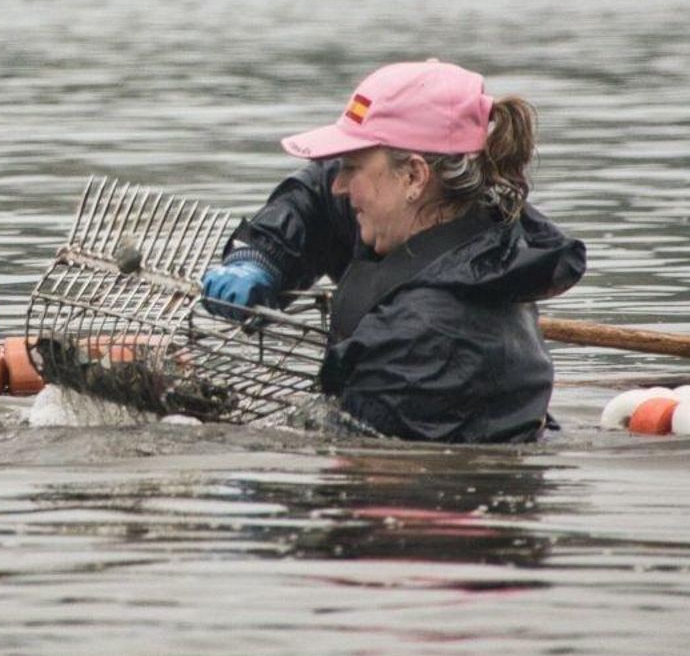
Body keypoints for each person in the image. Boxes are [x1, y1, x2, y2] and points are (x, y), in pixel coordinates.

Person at [201, 60, 585, 443]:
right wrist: (261, 256)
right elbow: (318, 197)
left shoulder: (423, 343)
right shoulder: (446, 218)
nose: (340, 185)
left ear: (414, 176)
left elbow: (357, 475)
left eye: (352, 167)